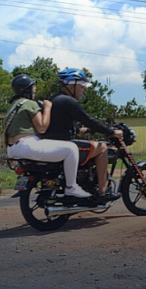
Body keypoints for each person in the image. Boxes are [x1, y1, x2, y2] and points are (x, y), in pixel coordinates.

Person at [4, 74, 92, 198]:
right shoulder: (30, 104)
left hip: (12, 149)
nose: (34, 90)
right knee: (71, 149)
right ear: (27, 89)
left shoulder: (13, 106)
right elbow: (42, 127)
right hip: (27, 145)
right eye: (33, 88)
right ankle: (71, 187)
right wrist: (48, 108)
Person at [43, 68, 122, 202]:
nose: (83, 90)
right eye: (81, 86)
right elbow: (90, 121)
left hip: (53, 143)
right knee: (102, 148)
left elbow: (59, 122)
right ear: (71, 85)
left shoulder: (54, 99)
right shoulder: (70, 102)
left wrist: (80, 130)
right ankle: (102, 193)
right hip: (65, 144)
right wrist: (111, 132)